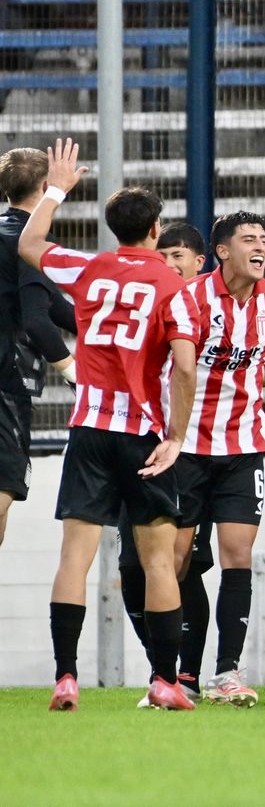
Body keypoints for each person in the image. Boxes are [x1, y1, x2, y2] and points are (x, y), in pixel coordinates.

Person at [20, 140, 199, 711]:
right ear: (155, 231)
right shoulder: (175, 287)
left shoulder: (90, 268)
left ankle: (66, 677)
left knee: (75, 553)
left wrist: (56, 189)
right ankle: (165, 681)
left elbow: (28, 243)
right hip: (142, 435)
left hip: (89, 431)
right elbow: (186, 367)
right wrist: (175, 435)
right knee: (156, 558)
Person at [181, 211, 265, 706]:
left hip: (243, 449)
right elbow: (172, 373)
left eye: (264, 239)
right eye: (249, 240)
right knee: (179, 563)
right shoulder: (192, 300)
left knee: (237, 556)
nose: (261, 247)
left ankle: (226, 672)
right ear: (221, 251)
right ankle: (182, 674)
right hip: (188, 449)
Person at [116, 222, 218, 706]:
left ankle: (186, 676)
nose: (170, 262)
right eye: (164, 253)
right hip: (134, 444)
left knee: (185, 567)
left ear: (201, 262)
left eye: (179, 255)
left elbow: (196, 371)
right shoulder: (148, 299)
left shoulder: (205, 307)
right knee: (132, 569)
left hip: (190, 452)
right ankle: (162, 673)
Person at [0, 146, 77, 548]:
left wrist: (102, 323)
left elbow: (56, 307)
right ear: (47, 187)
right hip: (5, 384)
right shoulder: (27, 243)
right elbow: (37, 321)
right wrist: (77, 375)